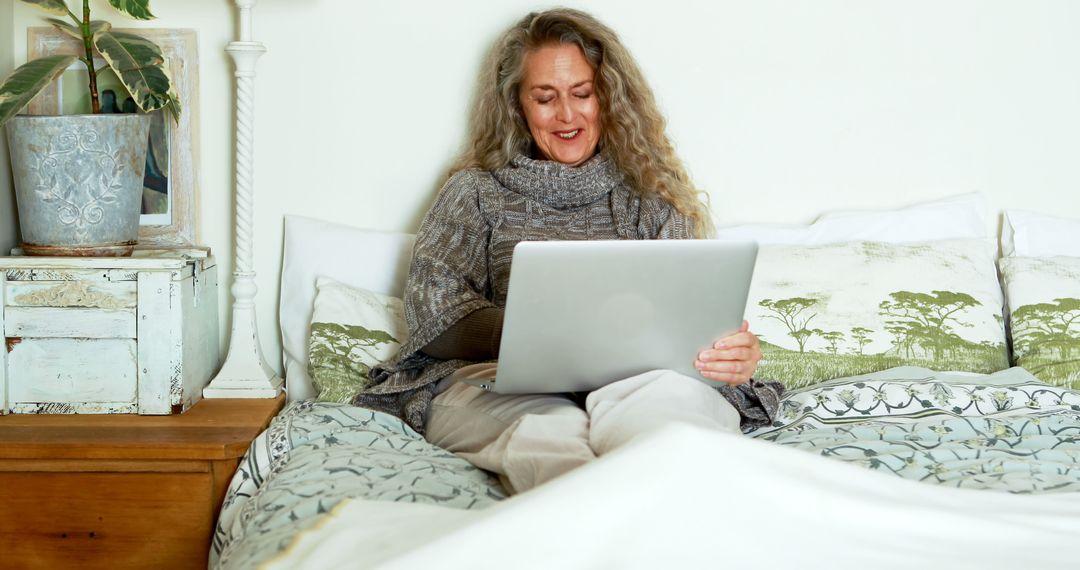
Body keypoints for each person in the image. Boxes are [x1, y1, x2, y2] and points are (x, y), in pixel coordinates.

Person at [357, 8, 782, 494]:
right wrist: (535, 335)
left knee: (669, 434)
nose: (566, 115)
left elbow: (685, 318)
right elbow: (433, 312)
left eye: (582, 94)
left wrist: (723, 354)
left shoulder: (652, 195)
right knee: (553, 446)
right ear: (517, 104)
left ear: (608, 98)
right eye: (545, 97)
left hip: (642, 384)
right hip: (503, 387)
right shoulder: (475, 191)